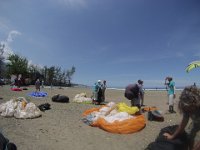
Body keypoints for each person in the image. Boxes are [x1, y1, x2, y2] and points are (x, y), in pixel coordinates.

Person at [163, 86, 200, 150]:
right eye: (186, 110)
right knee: (189, 135)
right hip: (197, 121)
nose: (188, 112)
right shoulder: (186, 106)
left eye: (190, 110)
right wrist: (172, 136)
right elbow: (183, 123)